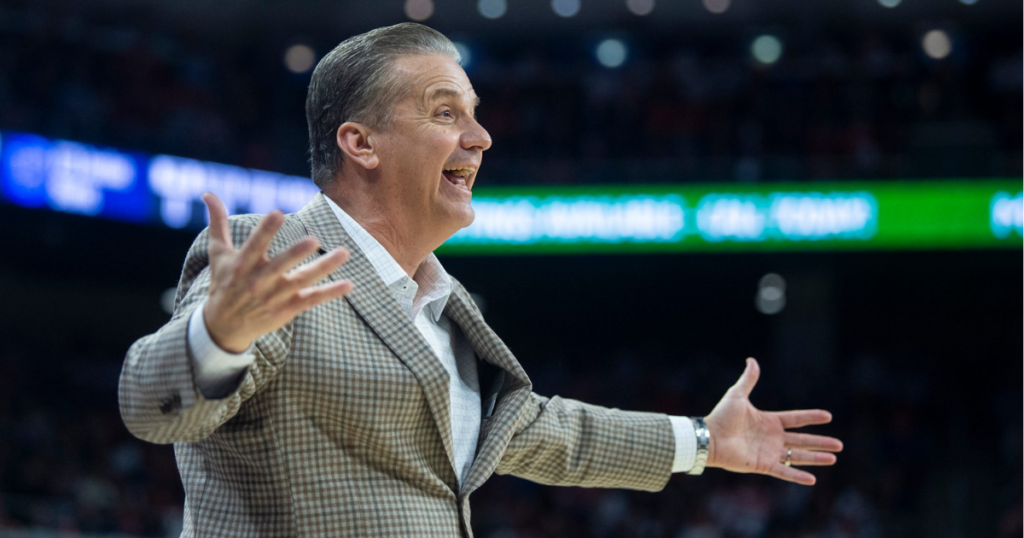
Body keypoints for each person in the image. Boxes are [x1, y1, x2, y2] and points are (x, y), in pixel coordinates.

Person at [118, 22, 842, 537]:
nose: (481, 137)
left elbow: (542, 431)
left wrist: (705, 442)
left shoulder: (443, 304)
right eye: (444, 112)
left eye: (475, 115)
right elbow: (156, 407)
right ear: (360, 142)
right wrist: (218, 334)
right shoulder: (272, 260)